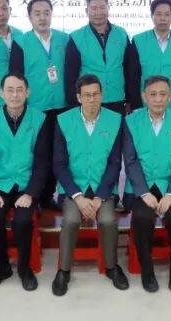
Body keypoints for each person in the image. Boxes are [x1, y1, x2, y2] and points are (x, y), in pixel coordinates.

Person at [51, 74, 129, 296]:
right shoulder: (63, 121)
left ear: (102, 95)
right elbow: (59, 164)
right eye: (87, 95)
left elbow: (115, 163)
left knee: (107, 220)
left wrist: (100, 196)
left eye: (96, 94)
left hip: (103, 189)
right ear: (78, 97)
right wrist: (77, 196)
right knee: (71, 220)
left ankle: (112, 267)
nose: (92, 99)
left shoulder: (115, 120)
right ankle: (63, 270)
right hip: (73, 190)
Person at [0, 73, 50, 292]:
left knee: (23, 221)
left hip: (27, 185)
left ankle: (25, 270)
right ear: (1, 93)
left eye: (20, 90)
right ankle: (1, 268)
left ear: (27, 92)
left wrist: (31, 193)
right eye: (10, 90)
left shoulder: (40, 119)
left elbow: (42, 163)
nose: (15, 95)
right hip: (0, 185)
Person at [123, 76, 171, 292]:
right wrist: (143, 192)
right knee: (142, 218)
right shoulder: (131, 121)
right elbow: (130, 161)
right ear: (144, 96)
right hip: (140, 187)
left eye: (163, 94)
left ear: (170, 96)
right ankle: (147, 271)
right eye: (153, 94)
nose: (158, 99)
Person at [20, 0, 70, 209]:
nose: (42, 17)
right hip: (35, 108)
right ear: (29, 17)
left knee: (58, 153)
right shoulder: (21, 41)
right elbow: (17, 74)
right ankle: (34, 195)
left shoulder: (64, 39)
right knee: (37, 153)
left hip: (62, 106)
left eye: (46, 13)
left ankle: (49, 194)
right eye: (37, 13)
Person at [64, 0, 133, 114]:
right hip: (89, 100)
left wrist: (130, 99)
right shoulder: (76, 37)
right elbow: (70, 74)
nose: (98, 12)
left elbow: (129, 69)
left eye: (102, 7)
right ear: (87, 11)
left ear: (108, 8)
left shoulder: (121, 34)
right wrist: (74, 103)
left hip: (117, 98)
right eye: (94, 8)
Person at [127, 0, 171, 111]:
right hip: (147, 104)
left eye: (167, 14)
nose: (163, 18)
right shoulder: (139, 40)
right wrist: (136, 105)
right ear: (152, 16)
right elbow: (133, 76)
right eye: (158, 14)